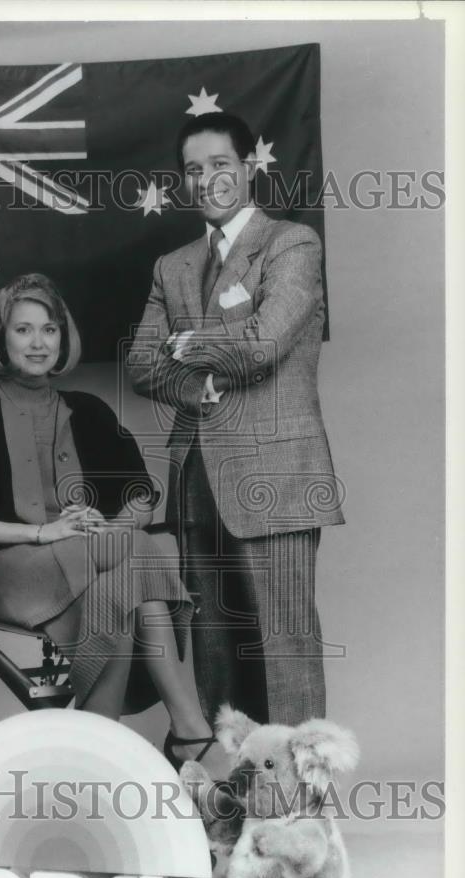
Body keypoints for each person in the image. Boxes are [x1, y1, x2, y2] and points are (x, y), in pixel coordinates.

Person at [0, 273, 215, 767]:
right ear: (0, 338)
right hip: (0, 566)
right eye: (23, 330)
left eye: (50, 330)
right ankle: (188, 731)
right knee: (139, 557)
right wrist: (40, 531)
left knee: (115, 588)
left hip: (93, 561)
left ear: (63, 338)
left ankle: (99, 757)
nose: (39, 343)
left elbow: (142, 494)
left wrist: (110, 525)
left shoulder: (91, 412)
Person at [127, 113, 344, 727]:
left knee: (284, 646)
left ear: (248, 167)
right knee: (217, 651)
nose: (207, 180)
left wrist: (186, 342)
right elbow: (141, 367)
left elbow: (264, 345)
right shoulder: (171, 265)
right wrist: (200, 374)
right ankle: (234, 802)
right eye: (193, 170)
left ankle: (298, 808)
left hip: (277, 473)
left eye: (220, 164)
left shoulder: (293, 244)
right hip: (196, 476)